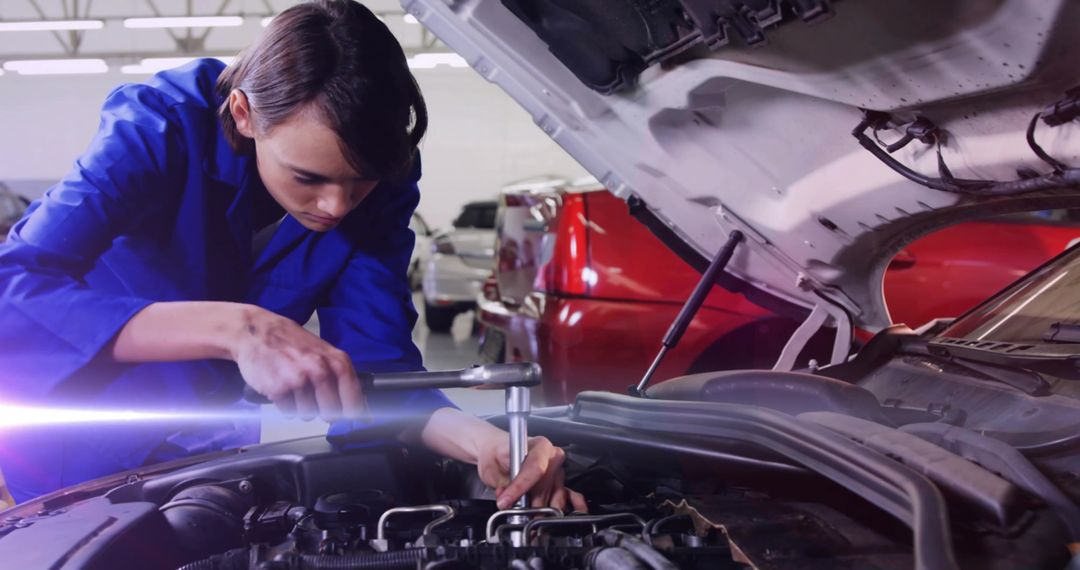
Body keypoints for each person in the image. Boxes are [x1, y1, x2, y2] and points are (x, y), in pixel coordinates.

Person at [0, 0, 585, 512]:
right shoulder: (159, 125)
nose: (336, 206)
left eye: (359, 183)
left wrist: (483, 442)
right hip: (74, 444)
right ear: (243, 115)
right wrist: (236, 328)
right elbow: (14, 291)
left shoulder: (381, 185)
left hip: (207, 450)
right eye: (308, 176)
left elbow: (380, 369)